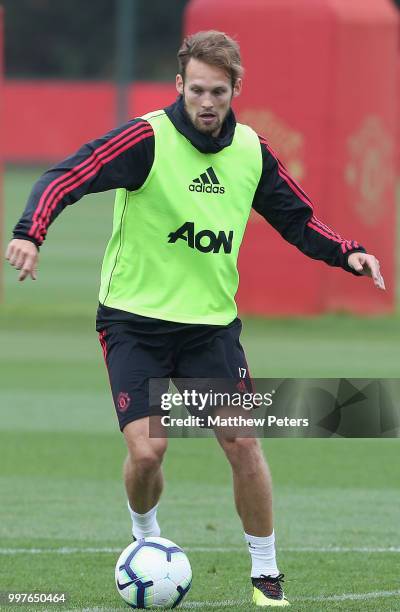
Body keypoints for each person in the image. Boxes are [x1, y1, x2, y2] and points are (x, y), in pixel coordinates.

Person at [5, 30, 385, 608]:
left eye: (220, 92)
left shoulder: (251, 150)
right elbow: (67, 175)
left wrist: (347, 252)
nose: (208, 103)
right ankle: (145, 538)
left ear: (236, 91)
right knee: (148, 452)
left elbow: (298, 218)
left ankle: (266, 576)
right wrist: (31, 231)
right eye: (198, 91)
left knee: (242, 441)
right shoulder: (146, 140)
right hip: (133, 323)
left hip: (210, 329)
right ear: (180, 85)